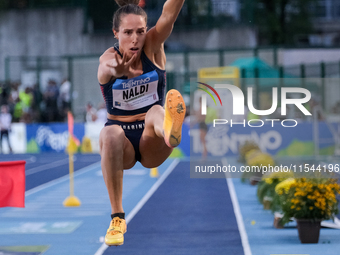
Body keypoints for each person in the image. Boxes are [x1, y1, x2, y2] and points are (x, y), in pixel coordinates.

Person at [97, 0, 186, 246]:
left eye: (139, 31)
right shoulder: (108, 59)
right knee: (109, 134)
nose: (135, 39)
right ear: (116, 33)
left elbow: (170, 13)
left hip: (153, 141)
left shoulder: (154, 46)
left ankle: (170, 130)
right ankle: (117, 218)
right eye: (127, 33)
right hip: (122, 144)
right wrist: (118, 69)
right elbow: (106, 67)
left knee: (156, 110)